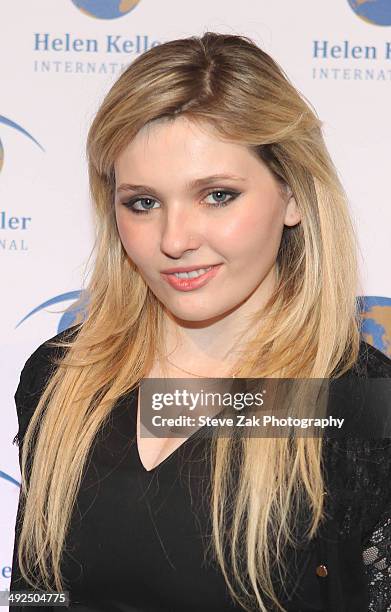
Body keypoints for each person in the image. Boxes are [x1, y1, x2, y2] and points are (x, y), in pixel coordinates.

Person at [9, 32, 391, 612]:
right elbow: (41, 597)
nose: (175, 239)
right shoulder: (62, 380)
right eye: (143, 202)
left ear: (292, 195)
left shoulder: (355, 403)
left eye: (216, 195)